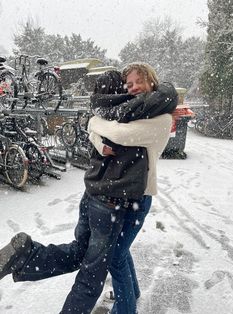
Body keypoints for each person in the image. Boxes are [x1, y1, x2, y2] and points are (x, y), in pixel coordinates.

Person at [0, 63, 178, 314]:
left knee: (99, 255)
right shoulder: (133, 111)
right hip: (111, 199)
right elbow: (109, 129)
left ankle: (28, 256)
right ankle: (124, 301)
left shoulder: (159, 118)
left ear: (153, 81)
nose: (133, 88)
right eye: (129, 84)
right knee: (101, 264)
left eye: (140, 81)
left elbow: (118, 133)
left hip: (114, 195)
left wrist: (95, 121)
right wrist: (96, 125)